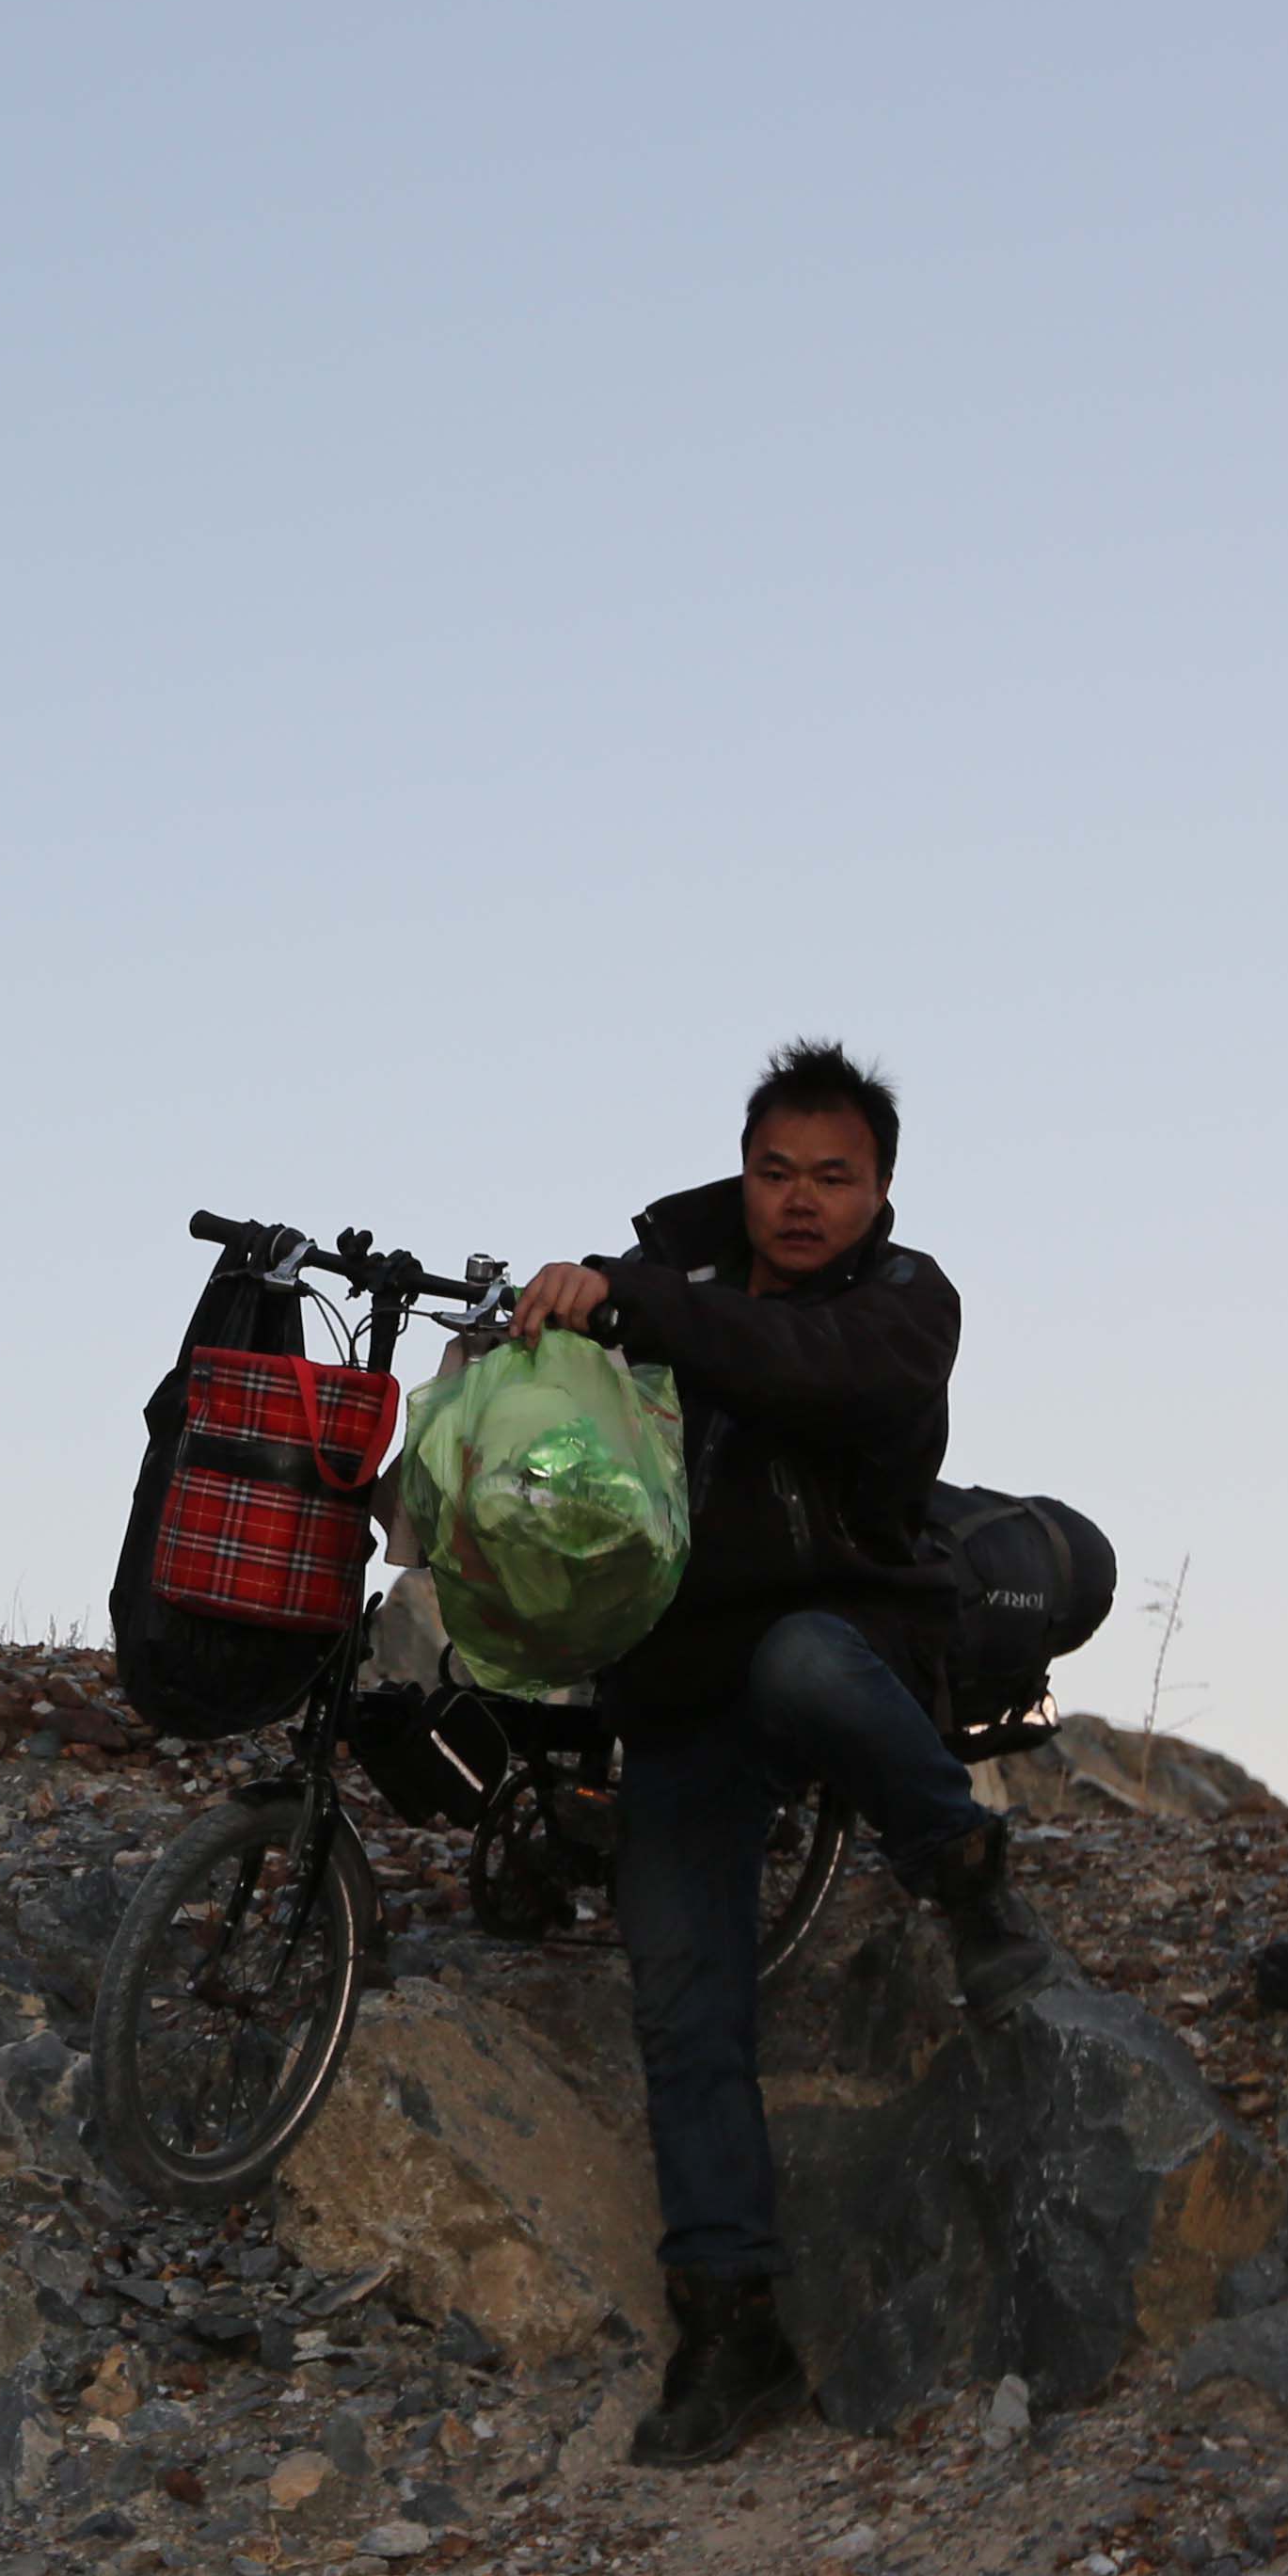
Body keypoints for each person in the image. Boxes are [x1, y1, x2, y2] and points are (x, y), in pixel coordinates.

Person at [499, 1037, 1057, 2471]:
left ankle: (966, 1865)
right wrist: (534, 1348)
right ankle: (730, 2327)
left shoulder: (901, 1303)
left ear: (880, 1192)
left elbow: (804, 1367)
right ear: (741, 1173)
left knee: (799, 1657)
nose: (800, 1200)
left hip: (849, 1644)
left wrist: (633, 1303)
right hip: (683, 1687)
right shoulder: (665, 1289)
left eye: (834, 1177)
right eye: (773, 1172)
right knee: (685, 2016)